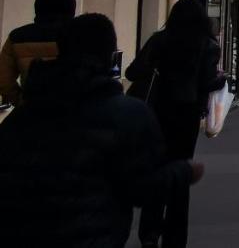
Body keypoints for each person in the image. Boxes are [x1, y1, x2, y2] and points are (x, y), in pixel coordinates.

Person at [0, 14, 202, 247]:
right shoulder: (126, 115)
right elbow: (143, 187)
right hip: (93, 235)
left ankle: (150, 235)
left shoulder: (20, 118)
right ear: (110, 56)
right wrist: (183, 172)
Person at [126, 0, 223, 248]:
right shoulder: (207, 46)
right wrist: (221, 81)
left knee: (156, 168)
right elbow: (206, 82)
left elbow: (132, 72)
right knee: (181, 175)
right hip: (186, 116)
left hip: (155, 112)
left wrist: (156, 67)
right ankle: (175, 238)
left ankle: (149, 233)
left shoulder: (159, 40)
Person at [0, 0, 76, 105]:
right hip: (73, 112)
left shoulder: (17, 37)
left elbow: (3, 80)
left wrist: (20, 101)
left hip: (31, 111)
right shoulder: (80, 35)